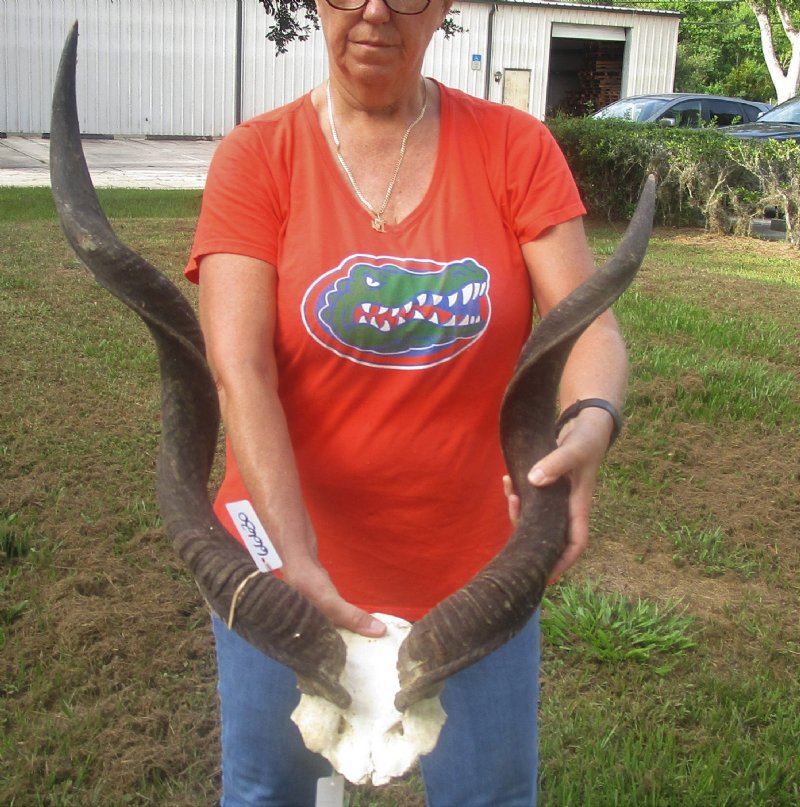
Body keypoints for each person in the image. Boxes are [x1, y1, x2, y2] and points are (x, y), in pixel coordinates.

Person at [184, 0, 628, 803]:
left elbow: (588, 325)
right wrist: (297, 561)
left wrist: (590, 421)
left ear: (446, 7)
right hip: (280, 575)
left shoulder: (512, 147)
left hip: (478, 581)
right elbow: (239, 369)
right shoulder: (258, 157)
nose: (375, 10)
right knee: (267, 791)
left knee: (488, 795)